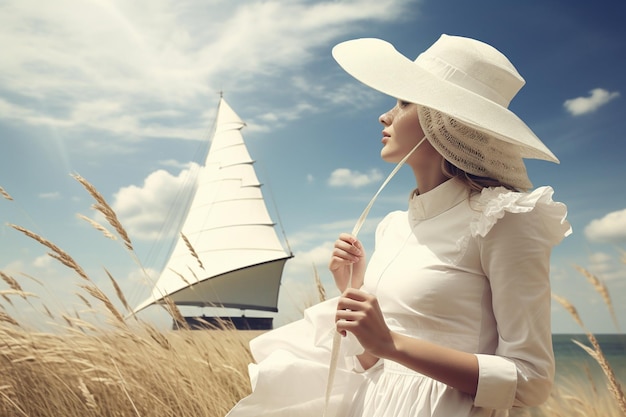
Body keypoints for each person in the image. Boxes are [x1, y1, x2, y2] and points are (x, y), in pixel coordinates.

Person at [226, 34, 571, 417]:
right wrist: (353, 290)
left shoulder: (502, 219)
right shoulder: (393, 225)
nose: (385, 115)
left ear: (445, 122)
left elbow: (531, 381)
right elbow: (374, 362)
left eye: (404, 102)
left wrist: (392, 343)